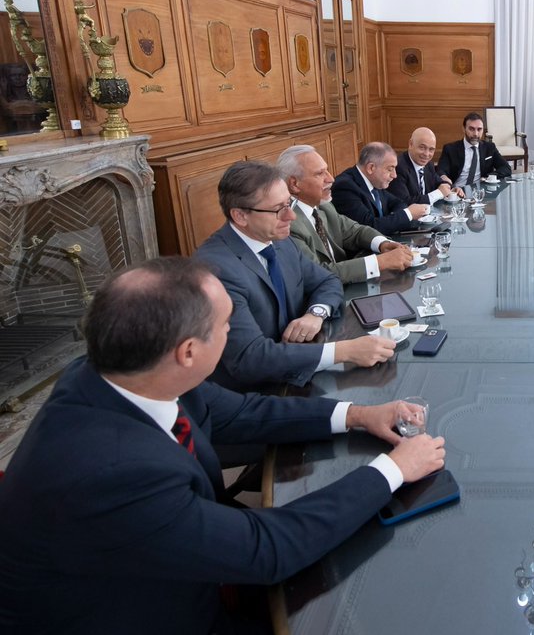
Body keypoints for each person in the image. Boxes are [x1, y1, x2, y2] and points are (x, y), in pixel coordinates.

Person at [0, 257, 446, 634]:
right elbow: (267, 551)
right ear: (189, 351)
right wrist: (393, 470)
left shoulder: (126, 369)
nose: (235, 330)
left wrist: (360, 415)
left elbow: (242, 413)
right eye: (226, 324)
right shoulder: (112, 472)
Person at [195, 161, 396, 391]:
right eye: (278, 209)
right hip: (257, 395)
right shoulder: (215, 270)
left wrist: (316, 313)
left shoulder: (279, 241)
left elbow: (327, 280)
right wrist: (344, 351)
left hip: (302, 371)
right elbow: (251, 358)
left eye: (289, 204)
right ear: (240, 216)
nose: (291, 216)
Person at [279, 145, 413, 283]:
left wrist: (383, 244)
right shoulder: (287, 223)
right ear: (294, 184)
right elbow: (317, 273)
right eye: (320, 174)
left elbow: (355, 231)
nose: (331, 179)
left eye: (327, 171)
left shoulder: (324, 206)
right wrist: (378, 262)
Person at [331, 142, 429, 236]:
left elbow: (398, 202)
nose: (394, 175)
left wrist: (391, 219)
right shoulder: (345, 187)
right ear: (371, 168)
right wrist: (408, 214)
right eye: (390, 169)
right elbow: (369, 228)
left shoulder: (375, 181)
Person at [437, 112, 512, 193]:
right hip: (456, 192)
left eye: (479, 129)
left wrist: (489, 177)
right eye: (471, 129)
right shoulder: (450, 149)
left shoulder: (489, 148)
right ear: (464, 129)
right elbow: (441, 171)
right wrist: (445, 180)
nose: (476, 134)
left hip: (480, 192)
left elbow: (506, 168)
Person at [389, 126, 454, 205]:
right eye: (422, 147)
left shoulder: (428, 164)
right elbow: (404, 202)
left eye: (431, 149)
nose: (426, 154)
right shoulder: (398, 167)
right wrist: (438, 193)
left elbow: (439, 182)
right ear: (411, 144)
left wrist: (450, 188)